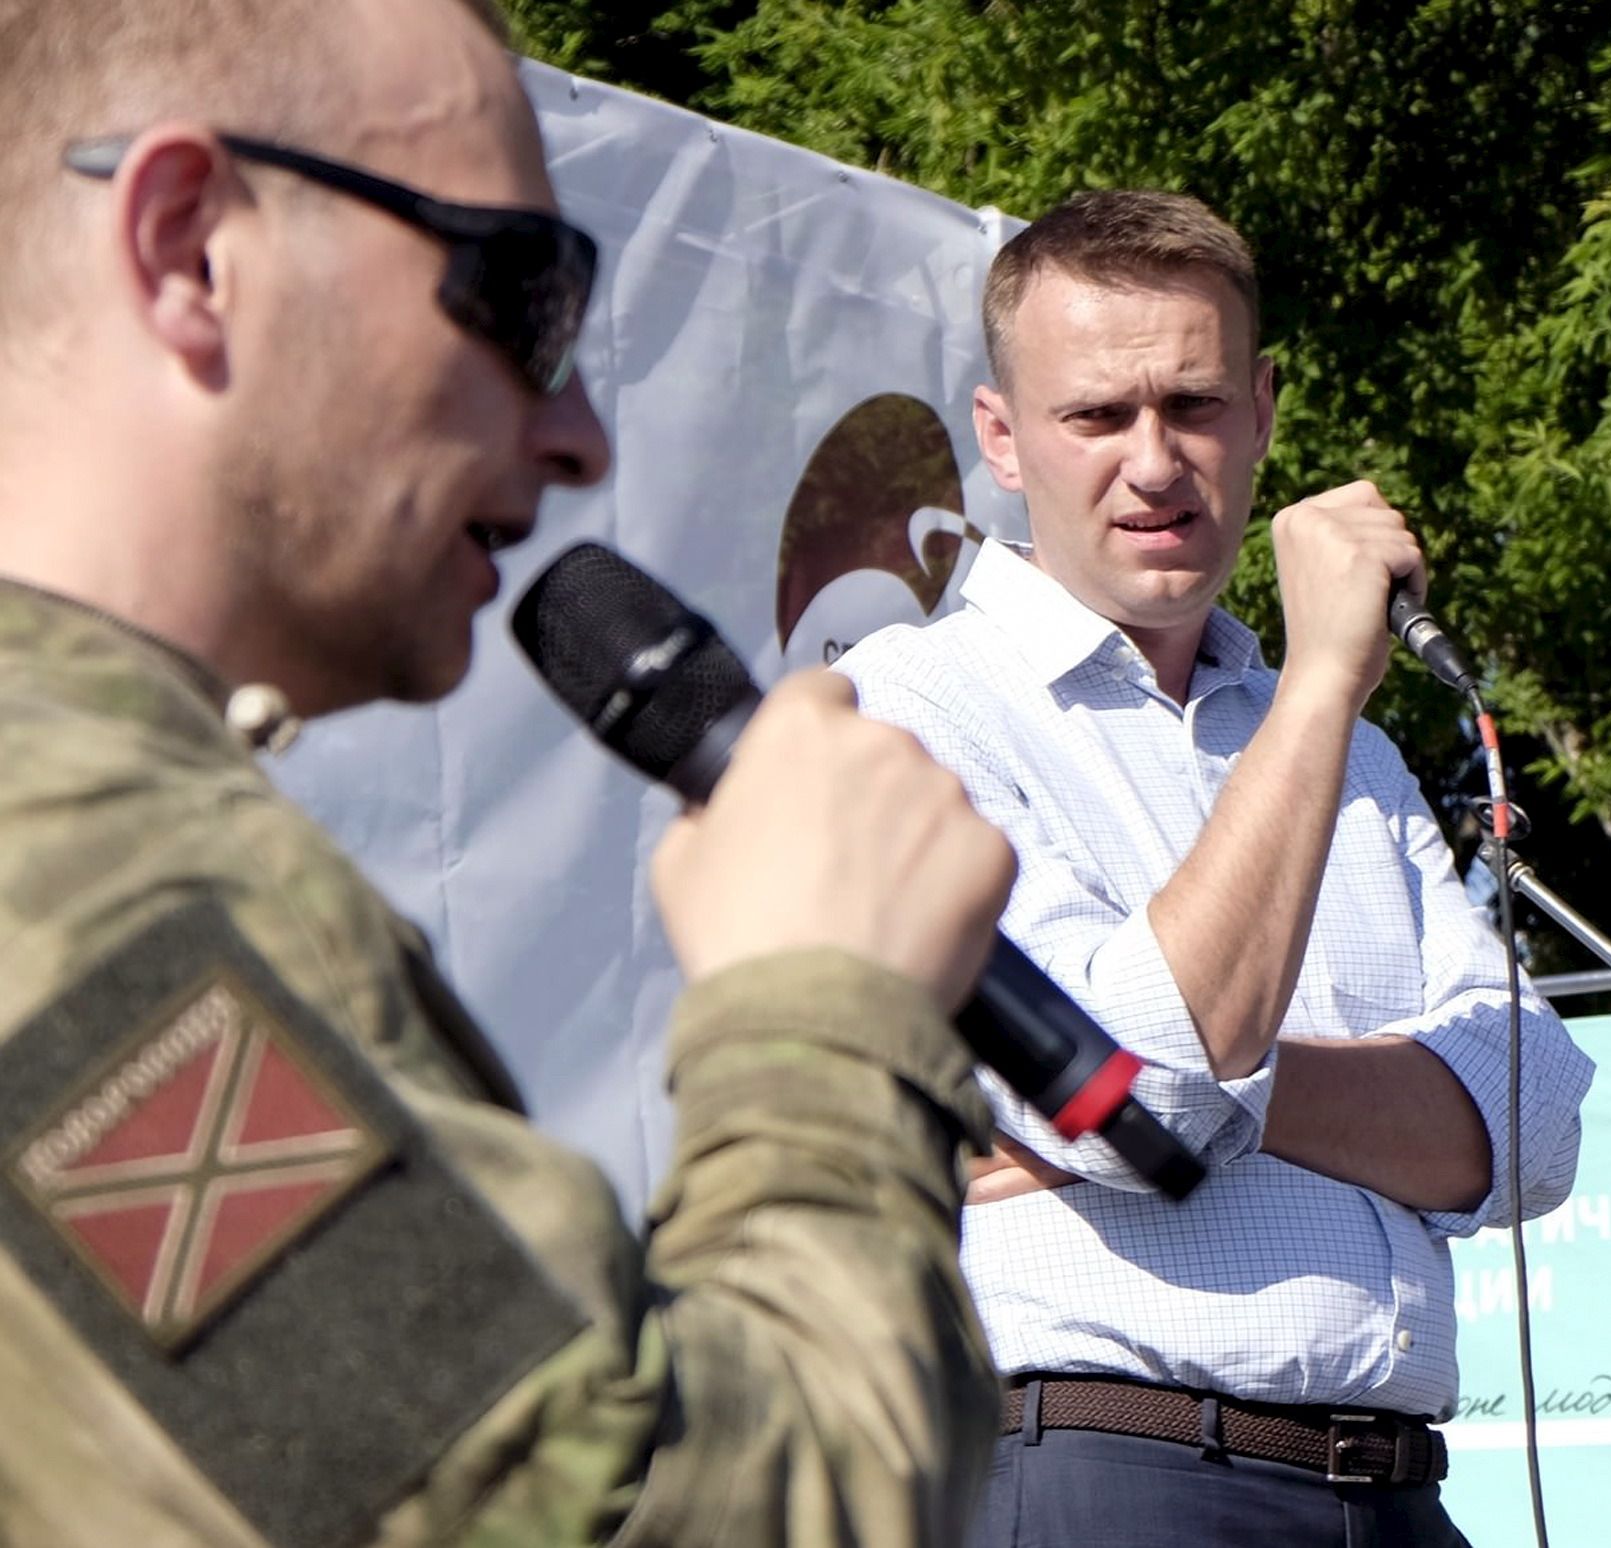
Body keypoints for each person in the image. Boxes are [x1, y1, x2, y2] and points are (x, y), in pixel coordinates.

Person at [0, 1, 1013, 1544]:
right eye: (524, 295)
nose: (578, 437)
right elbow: (634, 1522)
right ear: (193, 246)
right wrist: (825, 1017)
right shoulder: (71, 868)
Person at [835, 190, 1596, 1547]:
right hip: (1103, 1472)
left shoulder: (1346, 752)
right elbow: (1148, 1089)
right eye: (1096, 417)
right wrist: (1316, 688)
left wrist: (1178, 1088)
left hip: (1398, 1488)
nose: (1155, 462)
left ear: (1262, 412)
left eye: (1191, 405)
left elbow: (1530, 1128)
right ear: (1001, 439)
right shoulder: (915, 703)